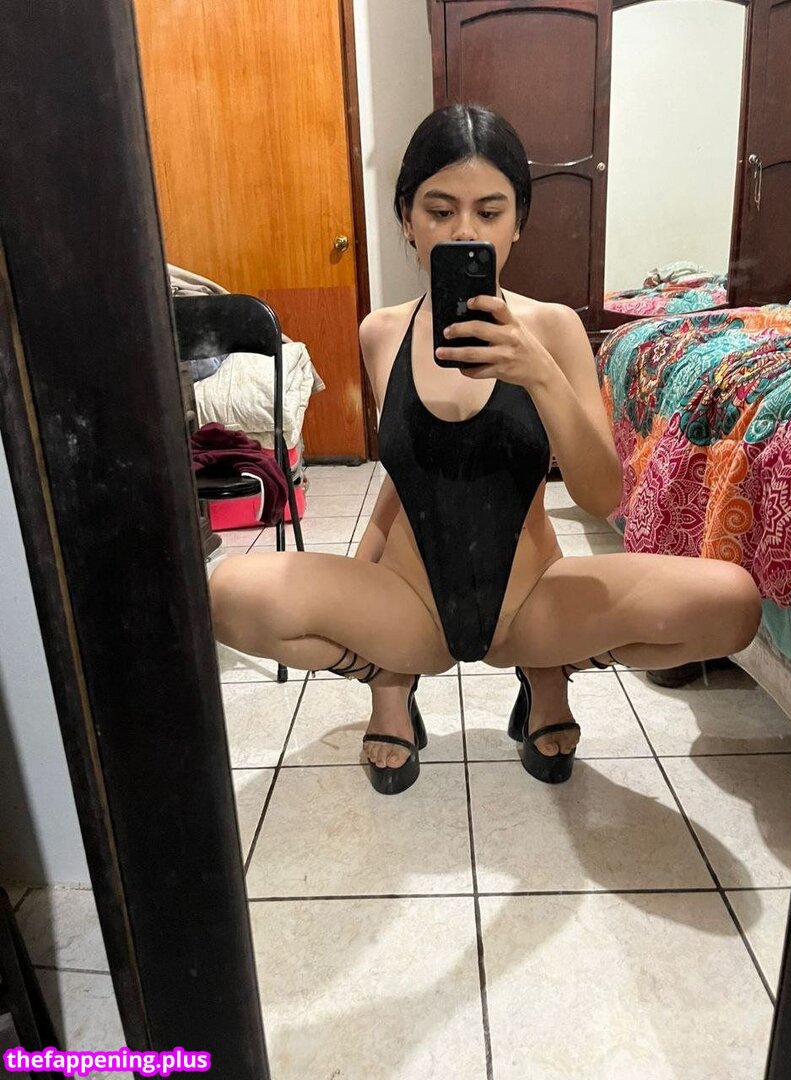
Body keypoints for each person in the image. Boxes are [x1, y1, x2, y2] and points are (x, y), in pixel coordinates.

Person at [210, 105, 761, 795]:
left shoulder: (553, 329)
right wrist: (357, 595)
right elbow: (405, 471)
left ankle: (548, 670)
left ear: (517, 222)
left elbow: (601, 496)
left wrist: (539, 374)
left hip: (529, 601)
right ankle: (389, 680)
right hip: (410, 600)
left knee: (733, 604)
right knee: (227, 593)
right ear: (406, 218)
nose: (465, 231)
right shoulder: (380, 332)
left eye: (489, 212)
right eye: (440, 211)